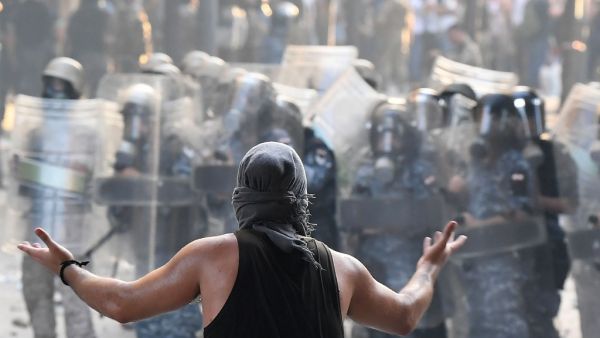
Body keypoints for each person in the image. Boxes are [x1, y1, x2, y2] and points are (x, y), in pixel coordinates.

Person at [18, 142, 467, 338]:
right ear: (299, 199)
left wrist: (68, 269)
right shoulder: (343, 269)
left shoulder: (212, 256)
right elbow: (406, 316)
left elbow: (122, 305)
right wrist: (429, 266)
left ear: (241, 197)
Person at [13, 57, 97, 338]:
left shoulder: (86, 135)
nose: (52, 94)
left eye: (60, 87)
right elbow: (21, 183)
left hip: (73, 233)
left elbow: (81, 181)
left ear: (74, 93)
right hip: (37, 228)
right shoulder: (35, 133)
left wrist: (35, 172)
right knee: (37, 299)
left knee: (78, 302)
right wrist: (20, 170)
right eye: (49, 86)